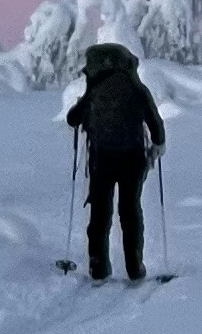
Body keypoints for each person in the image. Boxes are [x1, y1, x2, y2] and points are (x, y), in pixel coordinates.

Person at [63, 41, 165, 282]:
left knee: (100, 213)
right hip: (132, 158)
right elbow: (155, 123)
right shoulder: (136, 88)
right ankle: (134, 266)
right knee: (130, 212)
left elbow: (72, 119)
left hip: (102, 158)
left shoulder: (94, 88)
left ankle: (98, 266)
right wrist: (157, 144)